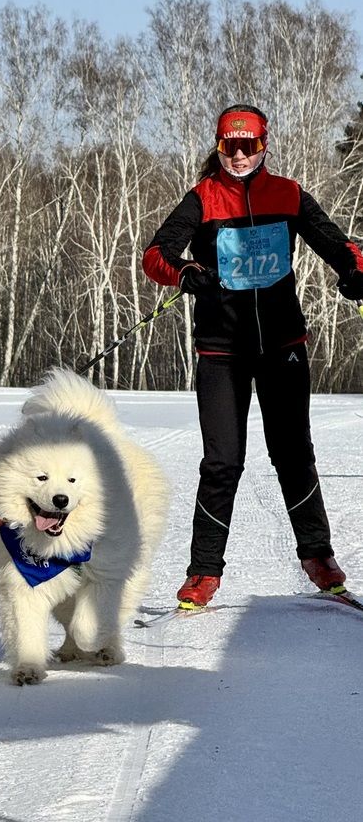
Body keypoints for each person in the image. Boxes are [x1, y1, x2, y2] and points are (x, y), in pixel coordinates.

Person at [142, 103, 363, 607]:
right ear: (219, 147)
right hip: (221, 352)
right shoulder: (202, 197)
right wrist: (185, 274)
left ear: (264, 145)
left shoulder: (287, 194)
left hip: (282, 346)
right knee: (222, 462)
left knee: (293, 455)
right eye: (229, 146)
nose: (239, 155)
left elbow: (338, 245)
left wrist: (354, 273)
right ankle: (203, 572)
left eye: (249, 146)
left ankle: (318, 556)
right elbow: (155, 255)